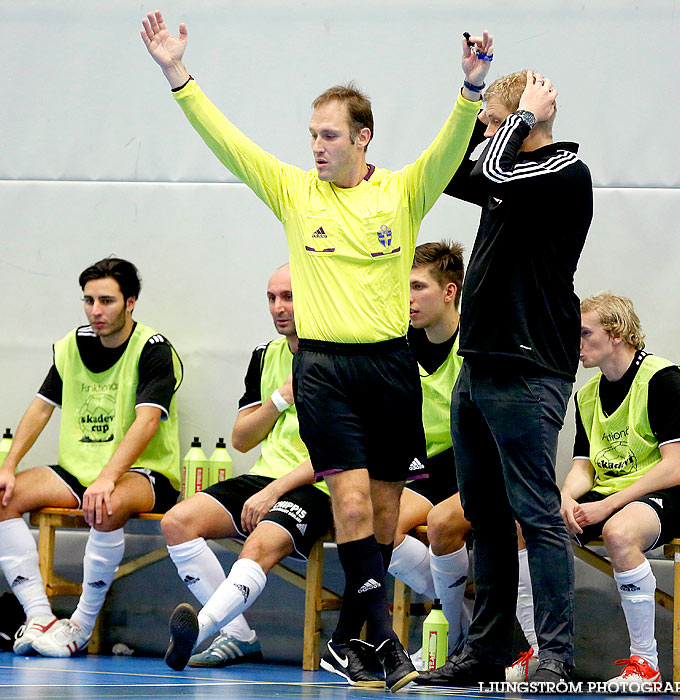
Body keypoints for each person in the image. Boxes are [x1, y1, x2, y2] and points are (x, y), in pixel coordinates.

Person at [140, 10, 493, 692]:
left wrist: (470, 91)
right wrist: (175, 72)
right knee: (353, 507)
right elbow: (228, 142)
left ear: (363, 138)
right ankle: (385, 640)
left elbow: (449, 148)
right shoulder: (295, 193)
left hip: (392, 369)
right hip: (327, 371)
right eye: (312, 135)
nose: (317, 147)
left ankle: (352, 641)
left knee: (385, 517)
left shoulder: (402, 191)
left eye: (329, 136)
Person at [416, 69, 593, 687]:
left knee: (534, 513)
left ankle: (556, 657)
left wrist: (522, 117)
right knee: (483, 514)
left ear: (528, 123)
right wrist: (470, 93)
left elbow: (494, 168)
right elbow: (456, 167)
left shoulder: (562, 173)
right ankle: (488, 648)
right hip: (479, 363)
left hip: (528, 368)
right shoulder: (504, 174)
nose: (488, 135)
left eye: (496, 123)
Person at [0, 257, 182, 657]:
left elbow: (148, 422)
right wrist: (9, 467)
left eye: (107, 301)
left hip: (143, 473)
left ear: (131, 302)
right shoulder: (72, 345)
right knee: (3, 498)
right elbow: (41, 407)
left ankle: (80, 627)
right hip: (79, 470)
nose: (96, 311)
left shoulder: (154, 349)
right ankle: (40, 618)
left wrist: (107, 478)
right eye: (88, 301)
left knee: (106, 504)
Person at [161, 264, 333, 673]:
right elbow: (241, 438)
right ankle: (238, 636)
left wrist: (275, 492)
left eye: (288, 297)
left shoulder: (338, 357)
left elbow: (337, 451)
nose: (278, 307)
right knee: (177, 522)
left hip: (319, 484)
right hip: (265, 478)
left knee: (259, 544)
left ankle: (199, 629)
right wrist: (281, 397)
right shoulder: (266, 355)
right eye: (272, 298)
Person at [561, 292, 680, 690]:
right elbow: (583, 466)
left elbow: (676, 468)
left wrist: (605, 506)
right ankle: (539, 656)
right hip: (615, 495)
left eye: (584, 333)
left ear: (617, 334)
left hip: (678, 494)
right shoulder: (588, 395)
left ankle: (646, 665)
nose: (574, 343)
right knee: (529, 527)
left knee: (619, 532)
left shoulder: (665, 379)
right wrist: (565, 498)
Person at [386, 241, 471, 662]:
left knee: (441, 524)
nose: (408, 299)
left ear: (449, 291)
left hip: (477, 468)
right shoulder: (399, 342)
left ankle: (451, 637)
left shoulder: (477, 340)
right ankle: (461, 615)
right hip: (427, 468)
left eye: (418, 287)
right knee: (373, 523)